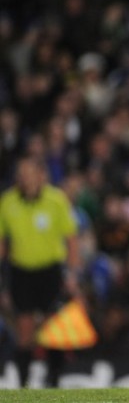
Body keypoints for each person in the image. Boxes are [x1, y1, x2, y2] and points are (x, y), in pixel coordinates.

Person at [0, 155, 80, 387]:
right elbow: (3, 243)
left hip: (50, 272)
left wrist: (72, 274)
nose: (24, 178)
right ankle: (24, 384)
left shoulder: (56, 200)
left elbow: (71, 239)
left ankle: (53, 379)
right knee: (24, 329)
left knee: (53, 328)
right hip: (21, 271)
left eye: (28, 173)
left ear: (40, 175)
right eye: (21, 174)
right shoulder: (7, 202)